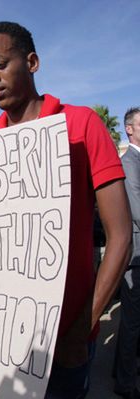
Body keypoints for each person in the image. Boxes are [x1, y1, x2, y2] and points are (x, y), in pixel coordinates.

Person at [0, 21, 131, 398]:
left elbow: (120, 236)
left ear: (31, 62)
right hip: (4, 343)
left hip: (66, 342)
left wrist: (82, 327)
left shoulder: (81, 123)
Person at [113, 107, 140, 399]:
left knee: (133, 322)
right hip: (136, 257)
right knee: (132, 323)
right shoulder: (130, 162)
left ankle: (122, 370)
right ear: (129, 130)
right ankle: (125, 382)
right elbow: (137, 211)